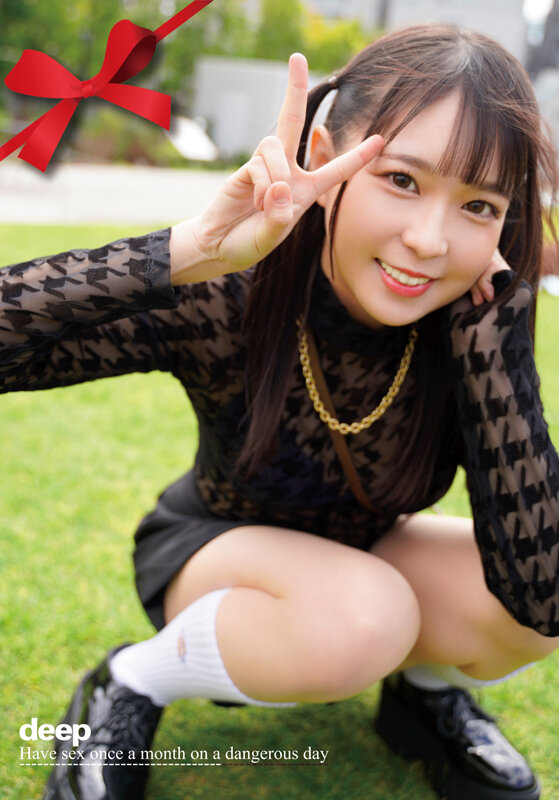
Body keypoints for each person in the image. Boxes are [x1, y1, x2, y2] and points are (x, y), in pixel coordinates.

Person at [2, 22, 559, 800]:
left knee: (470, 609)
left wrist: (494, 352)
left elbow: (542, 597)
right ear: (324, 160)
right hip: (216, 554)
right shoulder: (238, 293)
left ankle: (422, 697)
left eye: (476, 204)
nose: (430, 240)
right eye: (401, 180)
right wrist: (189, 251)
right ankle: (132, 680)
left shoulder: (472, 322)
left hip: (370, 555)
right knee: (365, 618)